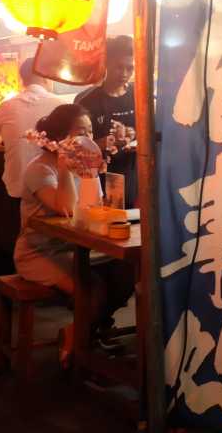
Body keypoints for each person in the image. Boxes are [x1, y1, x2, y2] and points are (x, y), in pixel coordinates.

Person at [14, 104, 134, 364]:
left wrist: (90, 175)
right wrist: (65, 167)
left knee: (126, 273)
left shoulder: (87, 168)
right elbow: (66, 209)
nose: (88, 139)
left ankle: (82, 333)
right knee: (92, 289)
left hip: (77, 249)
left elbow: (95, 210)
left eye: (90, 132)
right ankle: (77, 347)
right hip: (38, 253)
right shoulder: (40, 169)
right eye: (81, 132)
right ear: (59, 137)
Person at [0, 58, 64, 201]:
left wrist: (2, 139)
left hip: (17, 190)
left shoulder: (9, 105)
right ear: (46, 77)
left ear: (22, 80)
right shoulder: (62, 105)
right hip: (55, 191)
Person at [76, 36, 137, 207]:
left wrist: (133, 136)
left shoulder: (139, 96)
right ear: (106, 64)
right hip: (98, 179)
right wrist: (103, 143)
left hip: (133, 175)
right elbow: (74, 148)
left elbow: (150, 133)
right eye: (118, 67)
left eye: (129, 68)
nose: (124, 74)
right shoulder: (87, 101)